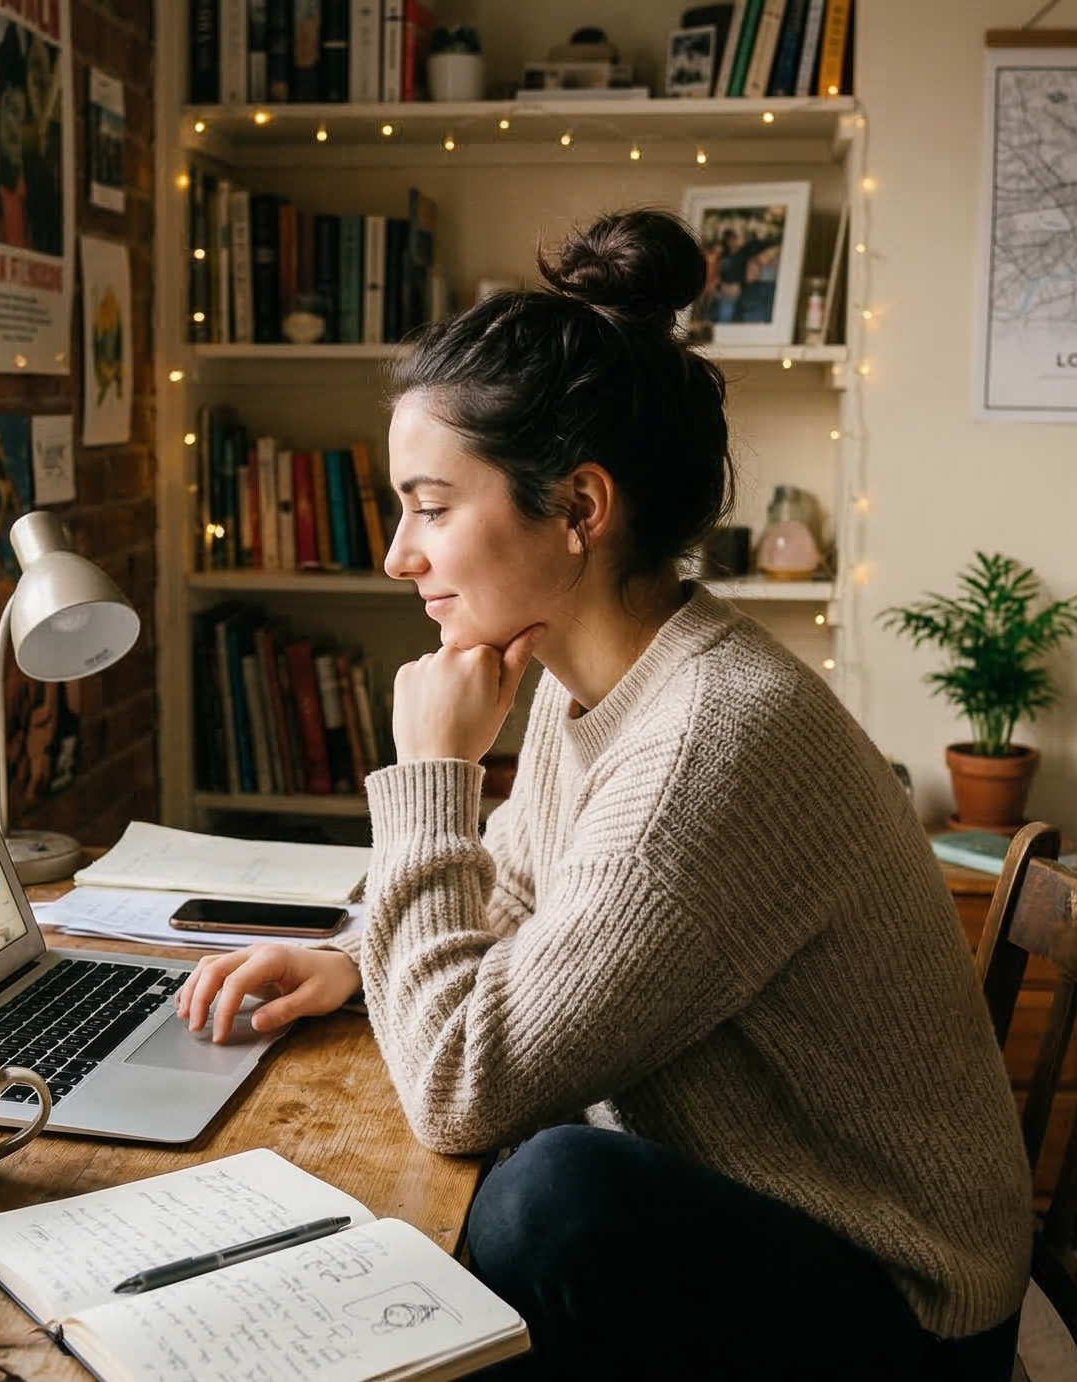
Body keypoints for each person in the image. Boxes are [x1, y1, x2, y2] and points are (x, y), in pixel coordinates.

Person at [175, 209, 1031, 1380]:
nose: (395, 554)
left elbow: (461, 1087)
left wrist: (431, 775)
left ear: (577, 509)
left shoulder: (710, 738)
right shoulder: (597, 677)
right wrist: (354, 964)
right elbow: (525, 909)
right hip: (755, 1223)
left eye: (429, 505)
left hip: (901, 1311)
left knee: (541, 1196)